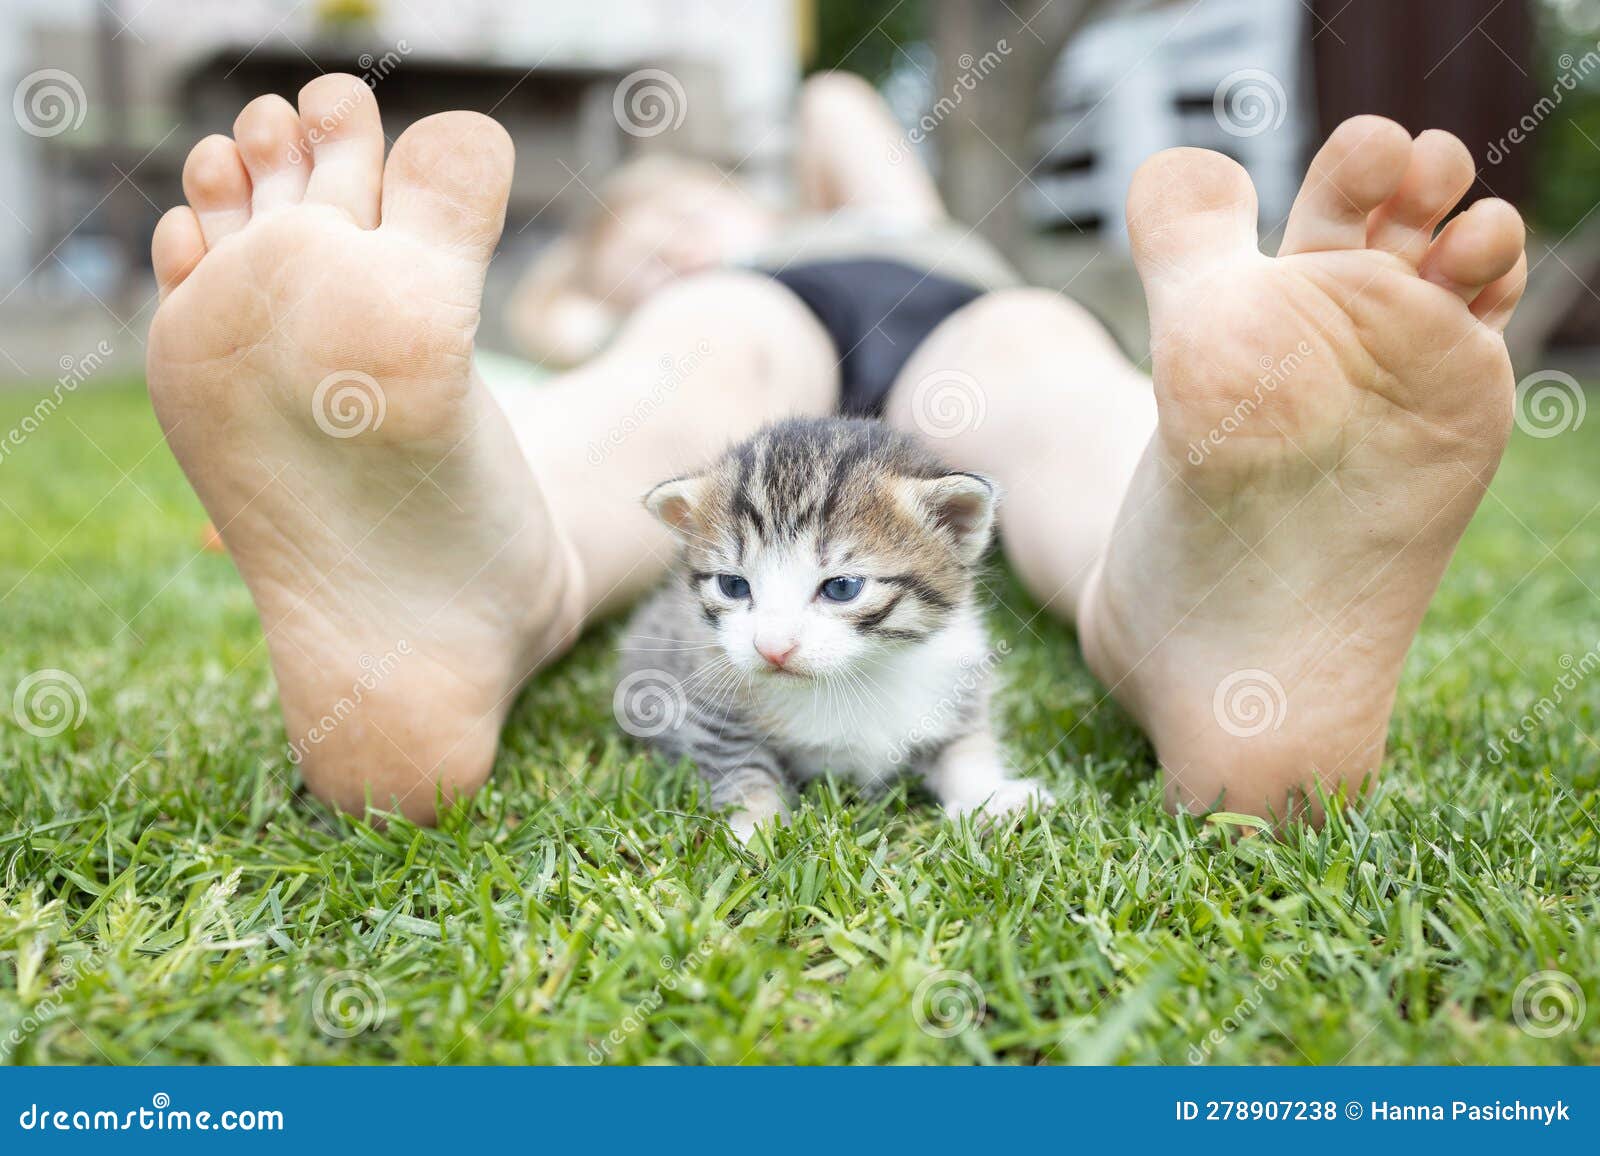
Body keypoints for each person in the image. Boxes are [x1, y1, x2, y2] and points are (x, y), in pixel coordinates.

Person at [145, 70, 1526, 827]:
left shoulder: (834, 205)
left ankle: (1187, 580)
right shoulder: (689, 288)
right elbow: (557, 333)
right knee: (670, 397)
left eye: (682, 214)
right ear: (608, 263)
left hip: (936, 305)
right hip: (770, 350)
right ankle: (484, 568)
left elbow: (840, 106)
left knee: (1046, 384)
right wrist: (634, 275)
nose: (675, 235)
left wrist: (731, 193)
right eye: (644, 237)